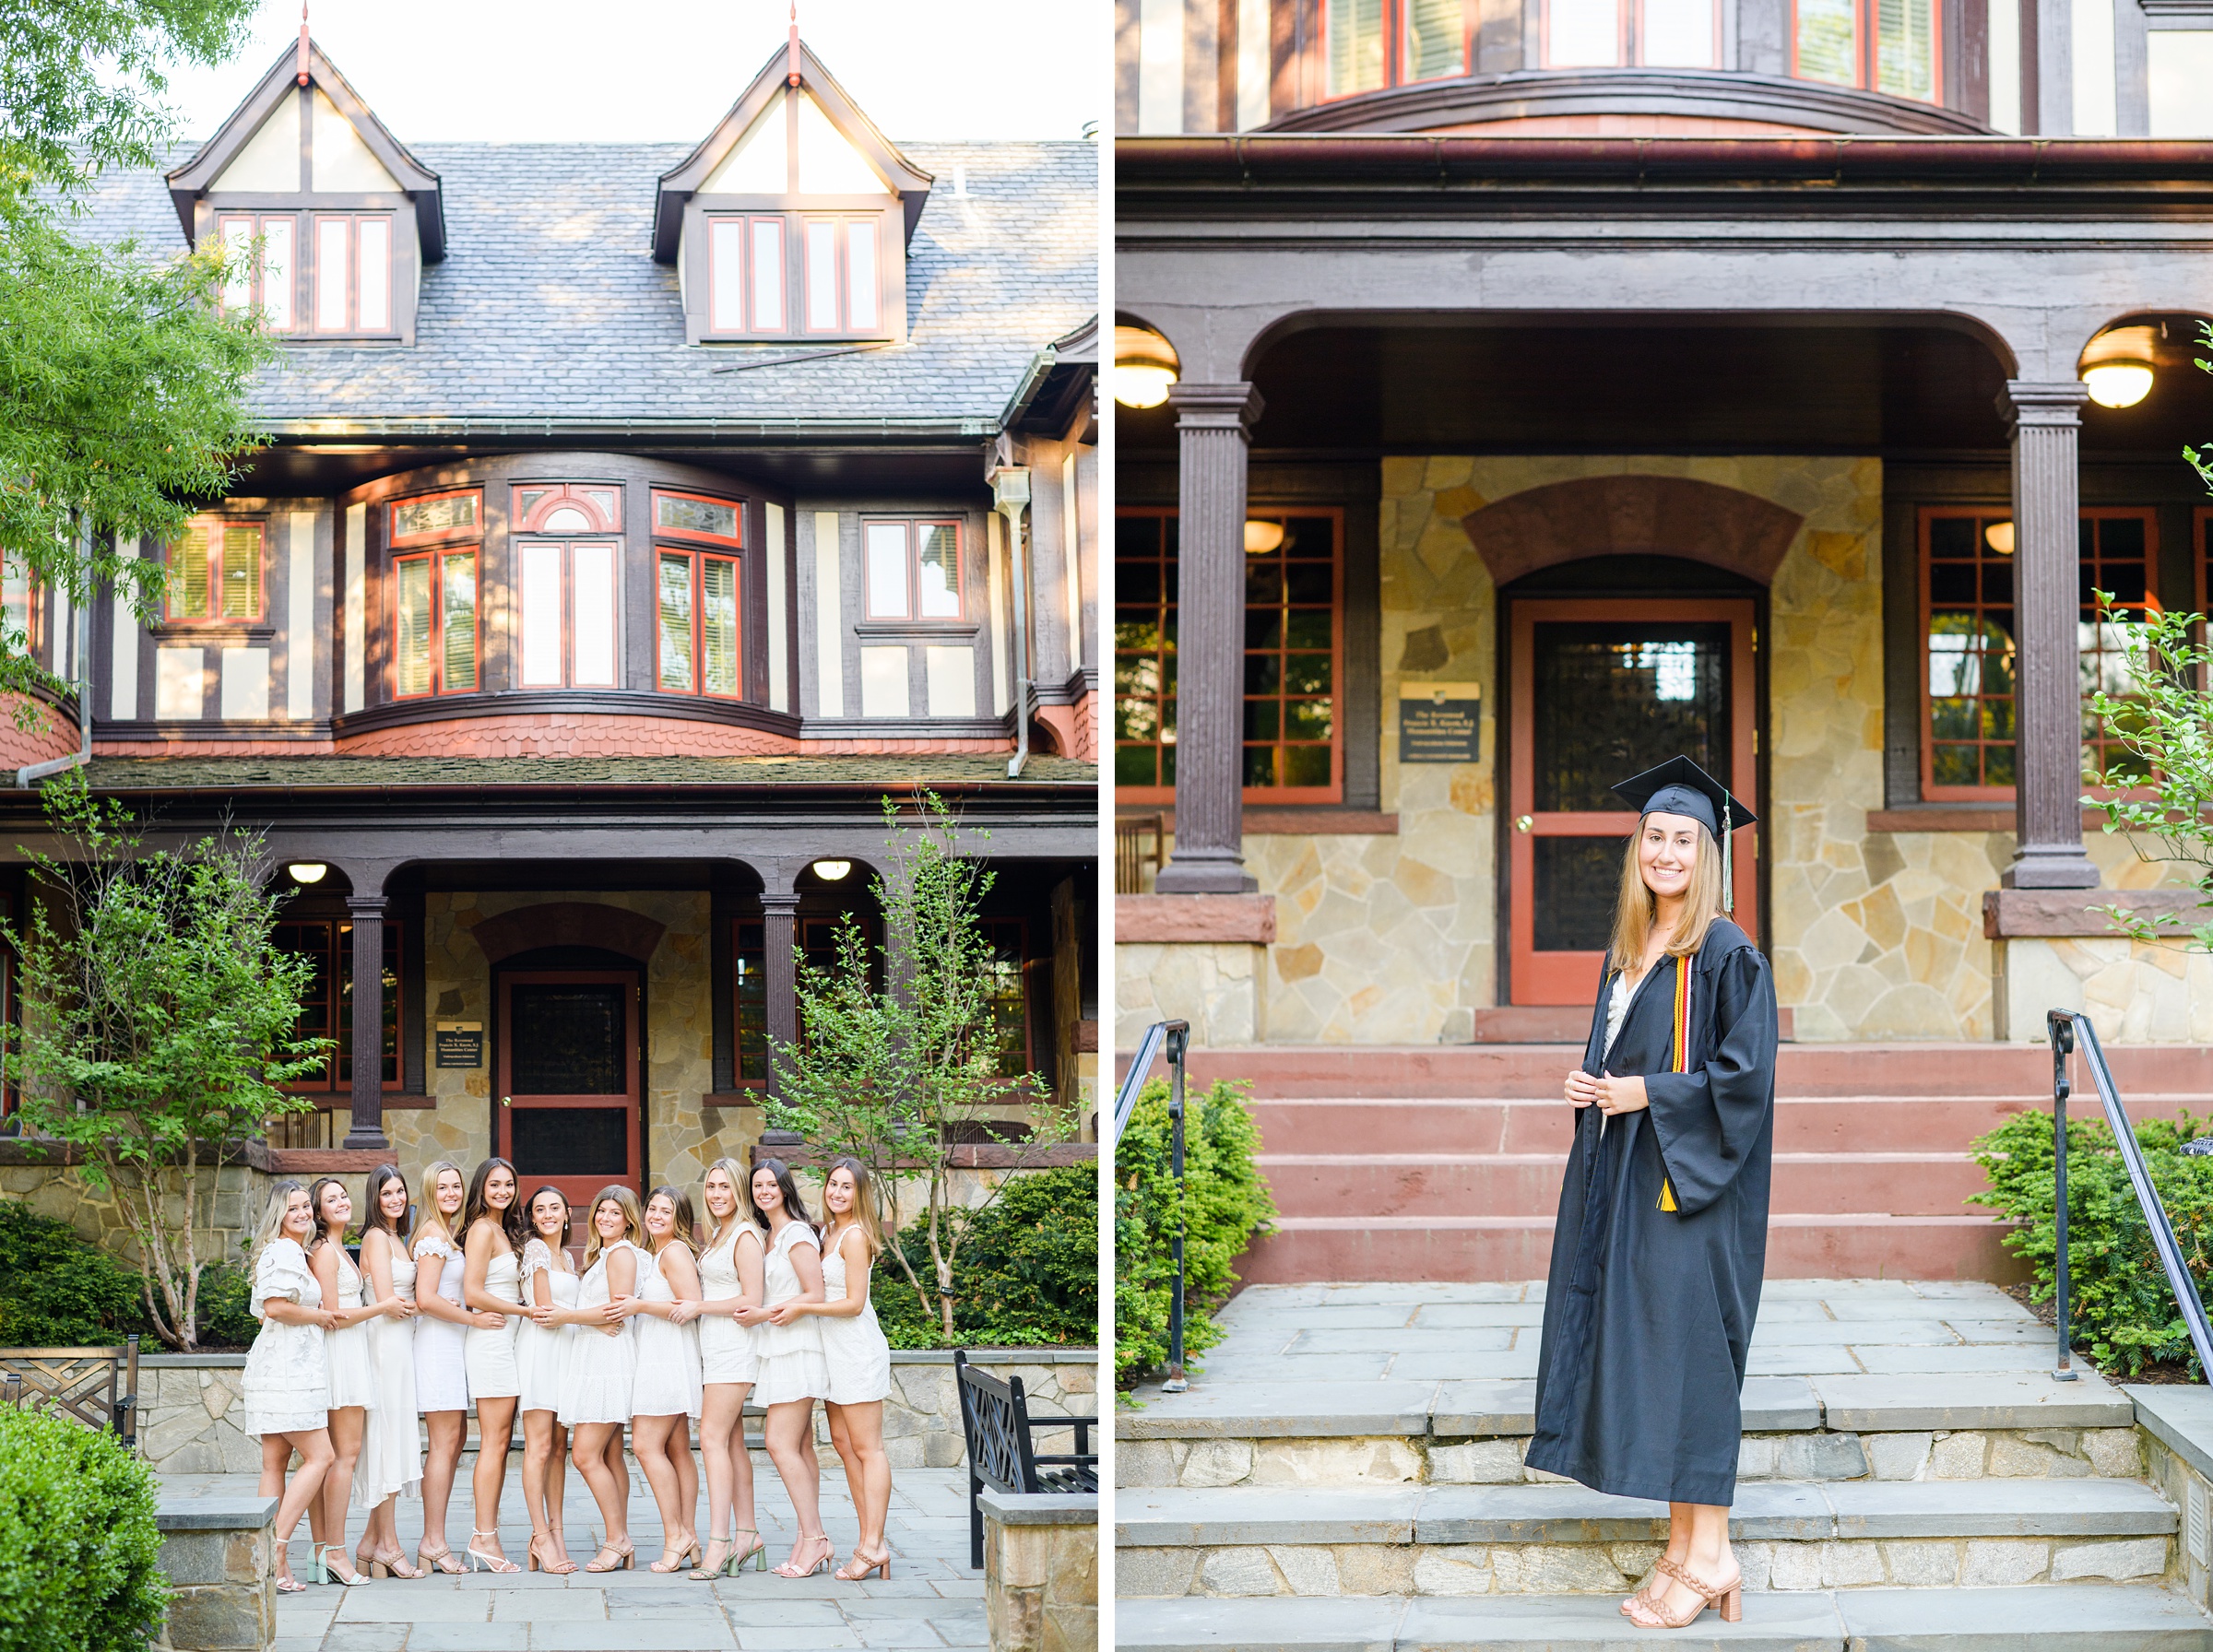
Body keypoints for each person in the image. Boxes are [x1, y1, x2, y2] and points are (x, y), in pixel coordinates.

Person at [1529, 756, 1780, 1631]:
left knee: (1694, 1362)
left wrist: (1647, 1096)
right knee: (1662, 1362)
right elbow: (1631, 1055)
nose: (1666, 853)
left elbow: (1743, 1080)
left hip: (1691, 1187)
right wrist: (1595, 1084)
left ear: (1707, 855)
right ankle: (1685, 1552)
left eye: (1683, 840)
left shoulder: (1725, 951)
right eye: (1655, 838)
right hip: (1633, 1175)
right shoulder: (1631, 947)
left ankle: (1712, 1557)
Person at [778, 1156, 894, 1581]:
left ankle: (873, 1544)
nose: (837, 1192)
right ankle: (869, 1539)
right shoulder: (826, 1232)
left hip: (856, 1349)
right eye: (832, 1184)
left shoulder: (856, 1236)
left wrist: (802, 1307)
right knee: (845, 1447)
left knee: (869, 1449)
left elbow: (854, 1303)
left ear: (859, 1193)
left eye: (847, 1186)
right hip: (831, 1353)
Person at [240, 1180, 340, 1593]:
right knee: (322, 1456)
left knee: (274, 1464)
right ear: (279, 1214)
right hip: (288, 1374)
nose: (302, 1213)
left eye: (305, 1207)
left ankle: (269, 1563)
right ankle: (275, 1551)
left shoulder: (282, 1251)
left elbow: (263, 1314)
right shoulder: (283, 1250)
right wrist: (318, 1315)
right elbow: (274, 1308)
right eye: (293, 1208)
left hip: (278, 1366)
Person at [672, 1157, 768, 1579]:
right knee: (730, 1443)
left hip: (734, 1348)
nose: (716, 1194)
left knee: (709, 1437)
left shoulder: (745, 1235)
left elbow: (753, 1298)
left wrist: (699, 1306)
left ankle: (719, 1543)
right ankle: (748, 1533)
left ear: (739, 1191)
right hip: (714, 1349)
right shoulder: (717, 1234)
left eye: (725, 1187)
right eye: (711, 1186)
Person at [301, 1175, 391, 1587]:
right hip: (340, 1356)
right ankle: (334, 1550)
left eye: (343, 1195)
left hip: (352, 1353)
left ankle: (324, 1551)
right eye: (330, 1199)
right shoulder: (323, 1251)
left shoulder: (338, 1247)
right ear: (318, 1211)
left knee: (338, 1456)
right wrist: (384, 1307)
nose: (341, 1202)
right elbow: (333, 1316)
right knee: (344, 1456)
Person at [749, 1158, 832, 1579]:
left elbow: (815, 1292)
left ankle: (816, 1538)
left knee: (779, 1443)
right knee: (799, 1447)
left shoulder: (797, 1232)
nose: (764, 1191)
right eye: (758, 1185)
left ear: (784, 1188)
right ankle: (806, 1536)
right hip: (777, 1346)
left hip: (797, 1347)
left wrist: (772, 1312)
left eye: (771, 1184)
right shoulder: (767, 1235)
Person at [411, 1160, 492, 1575]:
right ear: (429, 1193)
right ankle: (433, 1541)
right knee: (444, 1444)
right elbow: (426, 1297)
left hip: (452, 1345)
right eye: (442, 1188)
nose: (451, 1194)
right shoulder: (431, 1235)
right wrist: (474, 1319)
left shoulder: (448, 1234)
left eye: (456, 1186)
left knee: (455, 1441)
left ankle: (435, 1537)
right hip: (438, 1347)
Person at [560, 1185, 646, 1574]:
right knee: (610, 1455)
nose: (606, 1218)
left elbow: (618, 1309)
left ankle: (617, 1539)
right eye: (601, 1211)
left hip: (608, 1360)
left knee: (584, 1454)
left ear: (629, 1219)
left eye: (615, 1212)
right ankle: (620, 1537)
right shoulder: (604, 1254)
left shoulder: (622, 1253)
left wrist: (565, 1317)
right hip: (595, 1355)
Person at [621, 1185, 705, 1572]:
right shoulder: (658, 1252)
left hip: (666, 1357)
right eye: (652, 1208)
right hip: (660, 1352)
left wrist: (639, 1305)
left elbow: (689, 1305)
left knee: (644, 1446)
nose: (655, 1215)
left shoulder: (673, 1251)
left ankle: (676, 1535)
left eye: (665, 1211)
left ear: (679, 1218)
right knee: (676, 1449)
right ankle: (688, 1534)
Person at [460, 1157, 531, 1573]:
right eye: (495, 1184)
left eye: (509, 1184)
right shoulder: (483, 1230)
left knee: (501, 1442)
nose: (502, 1191)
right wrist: (521, 1311)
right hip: (490, 1341)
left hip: (507, 1339)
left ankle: (487, 1534)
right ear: (481, 1189)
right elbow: (472, 1291)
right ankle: (483, 1537)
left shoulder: (505, 1229)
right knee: (494, 1441)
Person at [351, 1165, 422, 1578]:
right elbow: (387, 1300)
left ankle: (370, 1543)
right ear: (374, 1200)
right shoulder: (377, 1237)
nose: (395, 1199)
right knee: (384, 1439)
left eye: (399, 1192)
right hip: (382, 1343)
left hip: (400, 1345)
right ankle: (390, 1546)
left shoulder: (398, 1237)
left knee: (393, 1439)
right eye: (386, 1194)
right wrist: (430, 1303)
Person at [515, 1185, 580, 1575]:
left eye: (555, 1207)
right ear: (533, 1218)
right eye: (540, 1210)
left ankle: (557, 1531)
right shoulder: (537, 1250)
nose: (548, 1214)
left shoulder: (568, 1258)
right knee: (539, 1447)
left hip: (566, 1352)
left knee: (559, 1448)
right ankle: (540, 1535)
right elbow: (544, 1307)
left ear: (567, 1212)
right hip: (541, 1350)